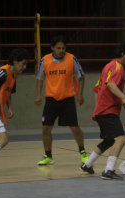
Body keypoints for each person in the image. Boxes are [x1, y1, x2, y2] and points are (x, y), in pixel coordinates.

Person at [80, 42, 125, 180]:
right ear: (123, 54)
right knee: (121, 139)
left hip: (102, 110)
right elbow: (110, 84)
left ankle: (87, 164)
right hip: (108, 111)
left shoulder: (108, 66)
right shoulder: (118, 67)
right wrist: (123, 97)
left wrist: (98, 107)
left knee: (109, 140)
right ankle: (108, 170)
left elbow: (96, 88)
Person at [35, 35, 89, 165]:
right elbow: (39, 78)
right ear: (52, 48)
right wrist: (38, 95)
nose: (61, 50)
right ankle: (48, 155)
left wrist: (80, 94)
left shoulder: (71, 59)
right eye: (58, 48)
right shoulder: (45, 60)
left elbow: (81, 76)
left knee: (75, 128)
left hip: (68, 98)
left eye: (63, 48)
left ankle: (82, 151)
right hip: (51, 99)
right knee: (46, 129)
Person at [0, 48, 28, 179]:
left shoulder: (14, 76)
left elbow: (8, 93)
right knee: (3, 139)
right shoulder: (3, 72)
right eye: (23, 63)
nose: (24, 67)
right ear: (15, 62)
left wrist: (9, 107)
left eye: (26, 64)